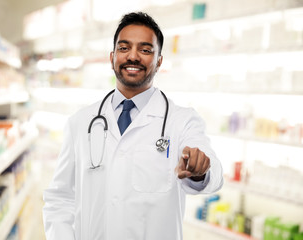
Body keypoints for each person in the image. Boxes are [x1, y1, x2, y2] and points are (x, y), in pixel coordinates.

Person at [43, 12, 223, 240]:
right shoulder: (81, 122)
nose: (133, 56)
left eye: (145, 50)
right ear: (112, 57)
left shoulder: (182, 121)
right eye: (124, 48)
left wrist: (201, 170)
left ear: (159, 61)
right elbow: (60, 198)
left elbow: (214, 175)